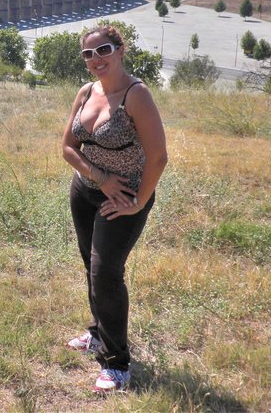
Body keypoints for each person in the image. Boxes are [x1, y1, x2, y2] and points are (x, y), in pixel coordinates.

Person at [61, 25, 168, 393]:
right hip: (86, 191)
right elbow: (68, 149)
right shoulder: (86, 92)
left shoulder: (136, 95)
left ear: (121, 50)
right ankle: (96, 333)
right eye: (88, 54)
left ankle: (117, 363)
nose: (95, 60)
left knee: (105, 271)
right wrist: (99, 177)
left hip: (124, 200)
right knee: (90, 267)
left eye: (102, 50)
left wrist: (138, 201)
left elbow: (158, 157)